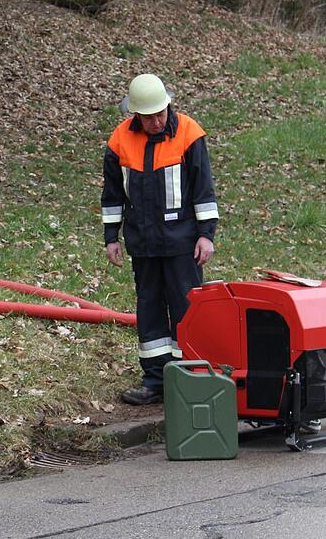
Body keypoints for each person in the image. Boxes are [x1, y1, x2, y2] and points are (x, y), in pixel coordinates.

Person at [101, 73, 218, 405]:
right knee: (150, 309)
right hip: (144, 244)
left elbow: (203, 189)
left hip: (183, 243)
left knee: (187, 309)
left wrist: (206, 235)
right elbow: (111, 195)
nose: (155, 121)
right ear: (135, 114)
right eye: (148, 116)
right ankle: (156, 380)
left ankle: (190, 377)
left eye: (160, 114)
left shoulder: (190, 134)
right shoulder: (119, 141)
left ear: (169, 106)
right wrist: (112, 236)